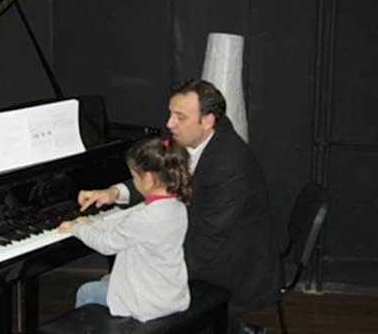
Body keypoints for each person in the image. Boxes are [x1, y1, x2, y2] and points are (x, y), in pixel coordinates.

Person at [78, 79, 281, 334]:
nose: (169, 124)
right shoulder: (194, 140)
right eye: (171, 113)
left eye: (180, 117)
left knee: (101, 287)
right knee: (118, 275)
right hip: (199, 247)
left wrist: (155, 278)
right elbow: (158, 180)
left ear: (207, 121)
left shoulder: (229, 166)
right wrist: (113, 192)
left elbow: (206, 243)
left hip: (228, 268)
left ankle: (228, 326)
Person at [57, 136, 192, 323]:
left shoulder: (145, 218)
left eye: (134, 177)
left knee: (86, 291)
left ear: (148, 179)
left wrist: (78, 228)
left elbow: (105, 244)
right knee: (107, 280)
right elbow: (127, 218)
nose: (133, 182)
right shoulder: (176, 205)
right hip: (168, 291)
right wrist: (94, 224)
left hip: (148, 303)